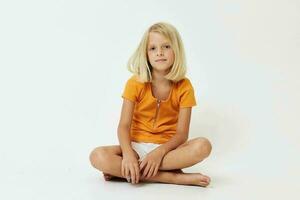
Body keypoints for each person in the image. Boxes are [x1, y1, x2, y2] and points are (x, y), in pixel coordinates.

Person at [89, 22, 212, 187]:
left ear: (176, 50)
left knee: (203, 146)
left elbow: (182, 134)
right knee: (97, 156)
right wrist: (127, 155)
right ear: (145, 54)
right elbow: (124, 126)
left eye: (166, 46)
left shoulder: (184, 86)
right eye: (152, 48)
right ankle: (173, 178)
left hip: (167, 152)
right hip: (136, 149)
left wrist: (158, 153)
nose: (159, 52)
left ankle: (127, 173)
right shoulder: (135, 83)